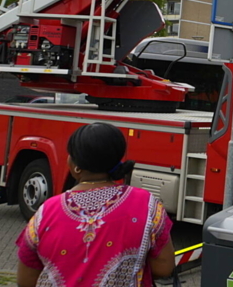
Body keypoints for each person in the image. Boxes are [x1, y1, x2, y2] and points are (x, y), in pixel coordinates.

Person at [15, 122, 175, 287]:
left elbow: (25, 280)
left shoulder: (47, 211)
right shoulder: (147, 205)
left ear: (76, 167)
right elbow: (164, 268)